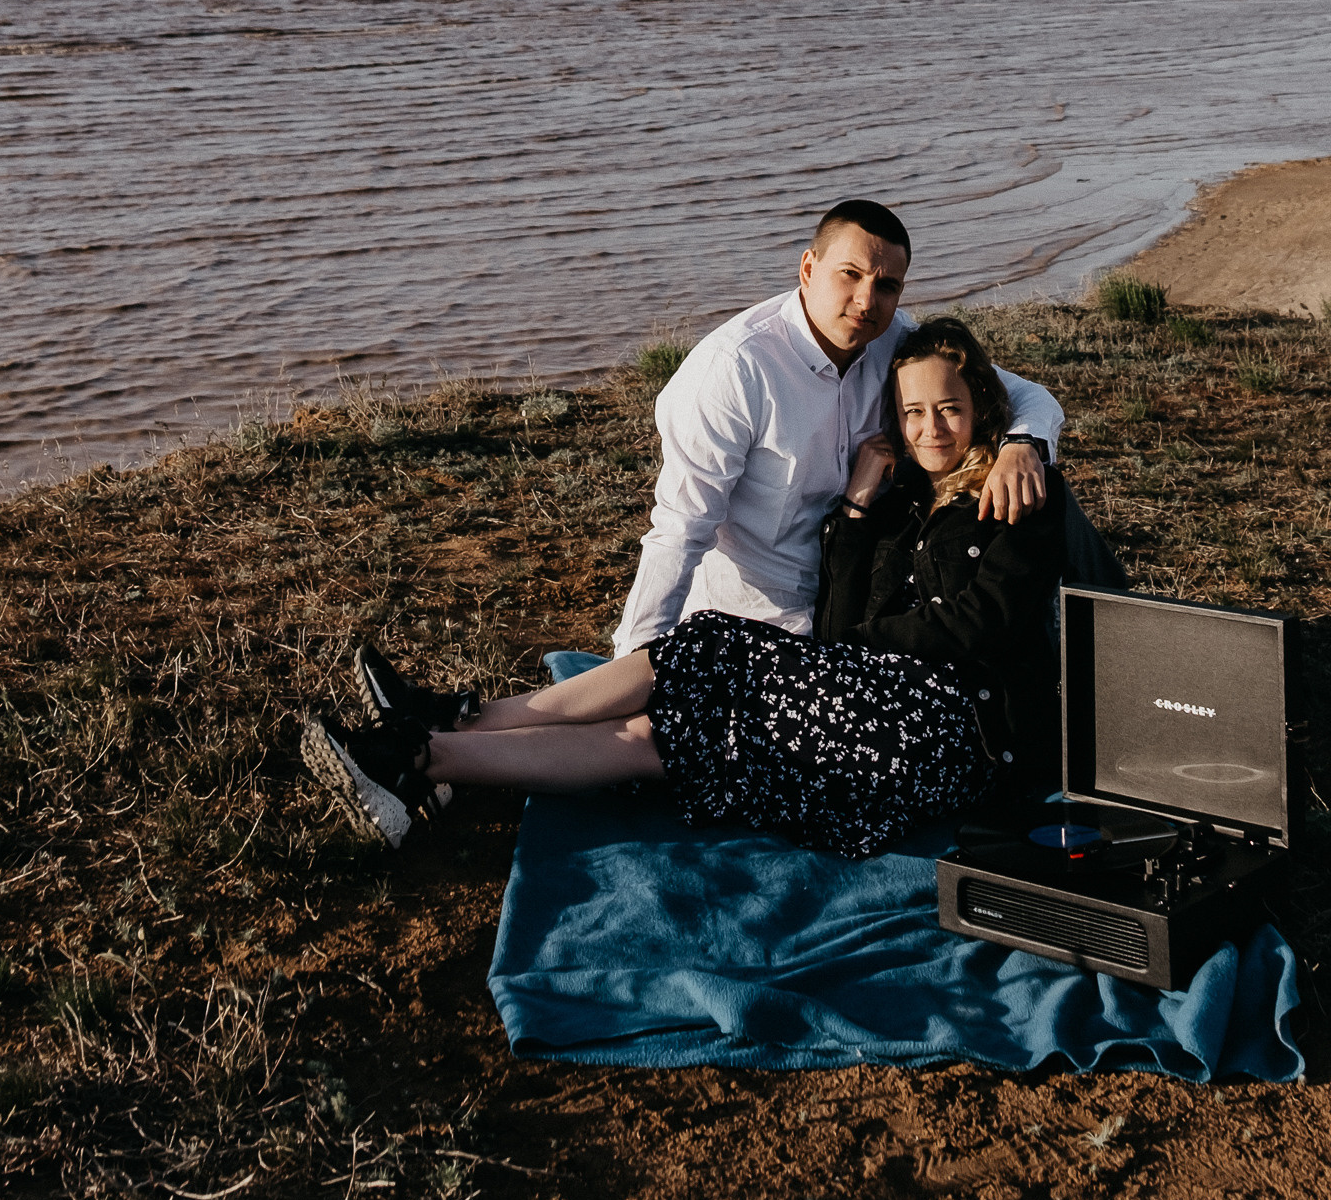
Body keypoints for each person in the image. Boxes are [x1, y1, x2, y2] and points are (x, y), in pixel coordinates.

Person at [302, 315, 1066, 858]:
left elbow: (980, 628)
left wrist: (1024, 445)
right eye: (912, 413)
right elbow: (834, 624)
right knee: (697, 664)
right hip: (865, 693)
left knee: (689, 730)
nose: (931, 428)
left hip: (953, 736)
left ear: (982, 411)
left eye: (950, 410)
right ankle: (431, 743)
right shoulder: (897, 505)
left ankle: (425, 754)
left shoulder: (1020, 495)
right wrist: (859, 512)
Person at [604, 197, 1062, 663]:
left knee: (1043, 499)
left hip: (859, 611)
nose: (866, 301)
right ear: (808, 268)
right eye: (850, 274)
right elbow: (680, 531)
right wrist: (634, 658)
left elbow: (1027, 396)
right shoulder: (735, 370)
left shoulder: (894, 340)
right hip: (756, 623)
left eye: (886, 286)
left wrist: (1022, 444)